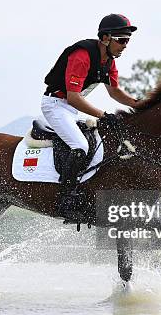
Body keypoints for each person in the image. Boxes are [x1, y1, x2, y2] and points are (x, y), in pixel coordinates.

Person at [42, 14, 139, 215]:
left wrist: (141, 104)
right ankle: (66, 197)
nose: (125, 45)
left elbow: (115, 92)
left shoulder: (109, 62)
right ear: (105, 39)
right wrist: (104, 115)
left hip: (71, 109)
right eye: (121, 40)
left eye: (127, 41)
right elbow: (74, 97)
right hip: (55, 105)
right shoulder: (82, 55)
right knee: (80, 145)